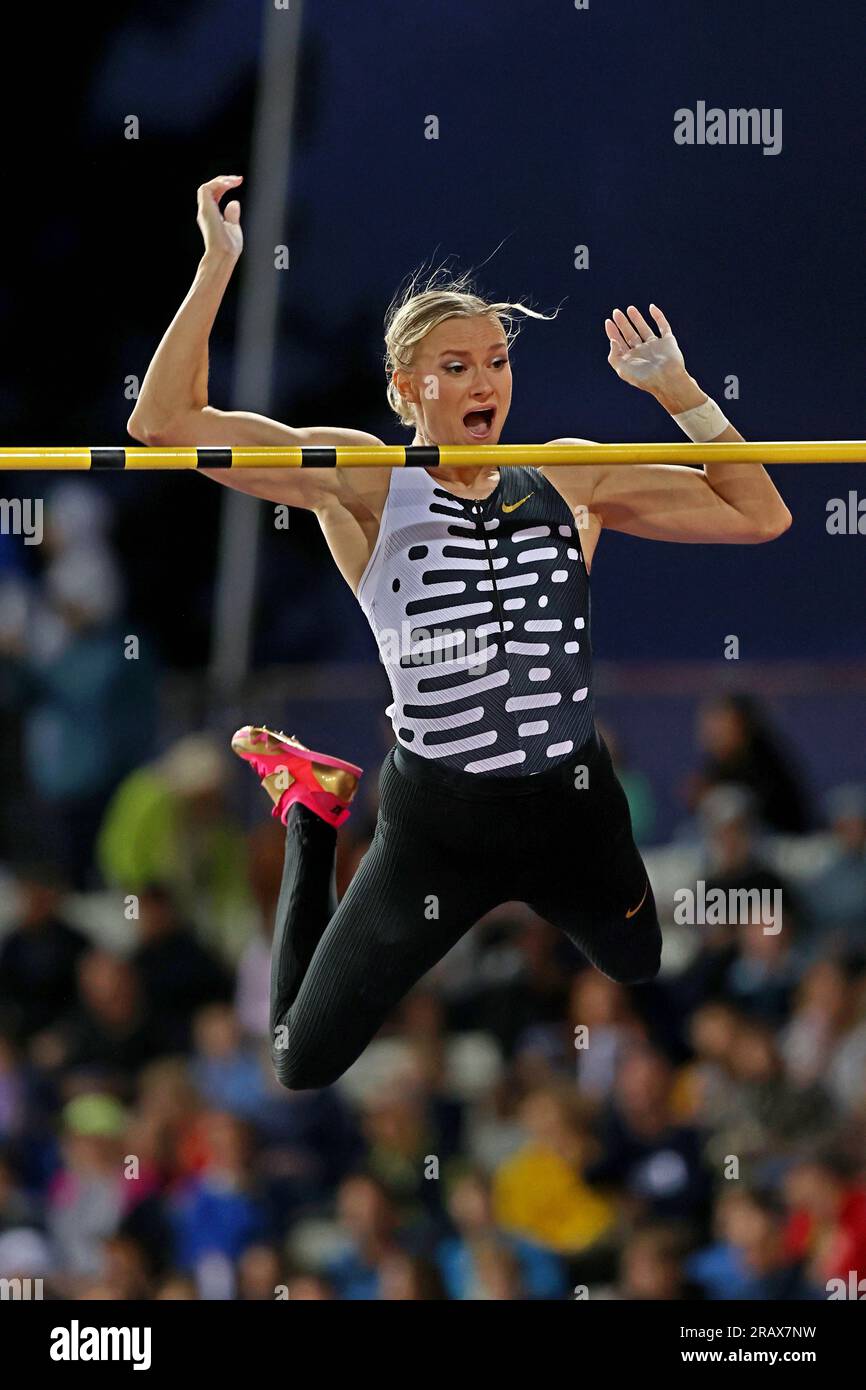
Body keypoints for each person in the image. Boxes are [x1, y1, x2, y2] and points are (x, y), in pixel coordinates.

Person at [127, 174, 792, 1090]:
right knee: (299, 1061)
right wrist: (216, 267)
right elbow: (162, 423)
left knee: (637, 963)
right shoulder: (363, 479)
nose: (485, 382)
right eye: (457, 366)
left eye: (496, 361)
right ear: (407, 386)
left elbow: (760, 514)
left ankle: (334, 817)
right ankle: (313, 817)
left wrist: (677, 391)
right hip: (439, 823)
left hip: (571, 803)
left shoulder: (571, 477)